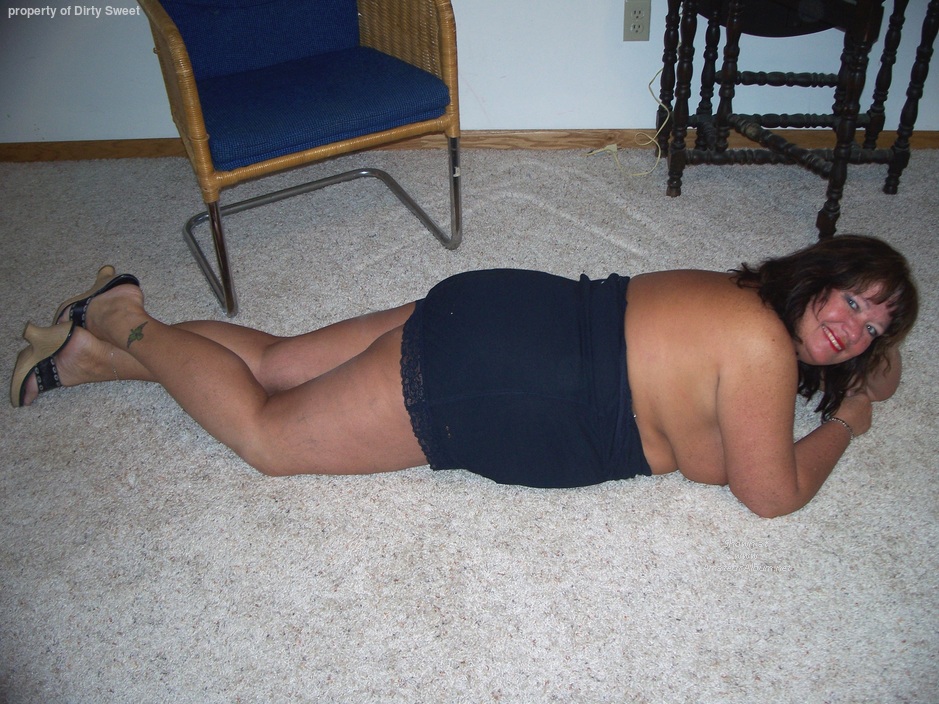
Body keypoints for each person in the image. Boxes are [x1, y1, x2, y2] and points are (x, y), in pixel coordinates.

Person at [11, 235, 918, 518]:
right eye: (853, 301)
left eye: (871, 329)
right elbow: (768, 492)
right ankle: (123, 317)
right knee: (268, 435)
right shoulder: (761, 350)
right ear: (821, 274)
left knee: (280, 361)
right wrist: (848, 421)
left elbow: (715, 441)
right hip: (494, 378)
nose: (852, 331)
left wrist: (836, 383)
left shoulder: (737, 297)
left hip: (494, 307)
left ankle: (89, 355)